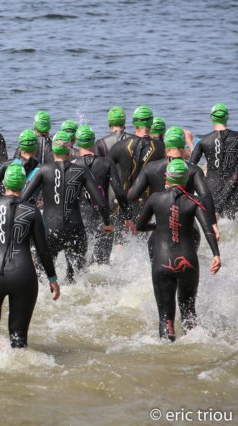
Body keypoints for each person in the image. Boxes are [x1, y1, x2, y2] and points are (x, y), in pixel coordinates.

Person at [135, 159, 221, 341]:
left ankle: (167, 358)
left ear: (167, 177)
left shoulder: (156, 198)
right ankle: (193, 354)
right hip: (188, 263)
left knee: (166, 318)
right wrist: (216, 255)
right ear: (184, 179)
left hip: (162, 263)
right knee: (189, 314)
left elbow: (140, 226)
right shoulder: (195, 201)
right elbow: (207, 229)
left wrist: (160, 226)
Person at [0, 163, 60, 348]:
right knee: (19, 336)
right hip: (24, 276)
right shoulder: (33, 212)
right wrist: (52, 278)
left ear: (4, 183)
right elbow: (43, 249)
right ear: (23, 184)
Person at [20, 131, 113, 281]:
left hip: (49, 230)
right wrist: (107, 223)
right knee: (77, 278)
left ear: (53, 151)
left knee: (43, 278)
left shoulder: (43, 170)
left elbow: (23, 199)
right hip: (75, 229)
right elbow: (101, 202)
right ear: (70, 148)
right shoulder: (81, 171)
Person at [128, 126, 219, 240]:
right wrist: (213, 224)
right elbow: (205, 196)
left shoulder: (150, 168)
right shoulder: (194, 170)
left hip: (160, 229)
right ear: (183, 146)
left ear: (166, 145)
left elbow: (132, 197)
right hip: (189, 231)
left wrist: (133, 214)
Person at [72, 125, 133, 264]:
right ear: (94, 142)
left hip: (81, 217)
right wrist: (128, 215)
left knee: (80, 262)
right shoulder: (107, 162)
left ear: (77, 142)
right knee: (102, 263)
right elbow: (118, 190)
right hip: (104, 216)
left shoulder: (73, 165)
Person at [190, 103, 238, 218]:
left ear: (212, 118)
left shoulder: (203, 140)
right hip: (234, 191)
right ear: (227, 117)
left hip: (211, 190)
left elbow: (190, 168)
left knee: (213, 224)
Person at [107, 105, 165, 192]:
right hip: (151, 202)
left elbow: (104, 172)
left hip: (124, 200)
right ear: (151, 124)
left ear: (134, 124)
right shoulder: (161, 148)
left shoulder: (119, 147)